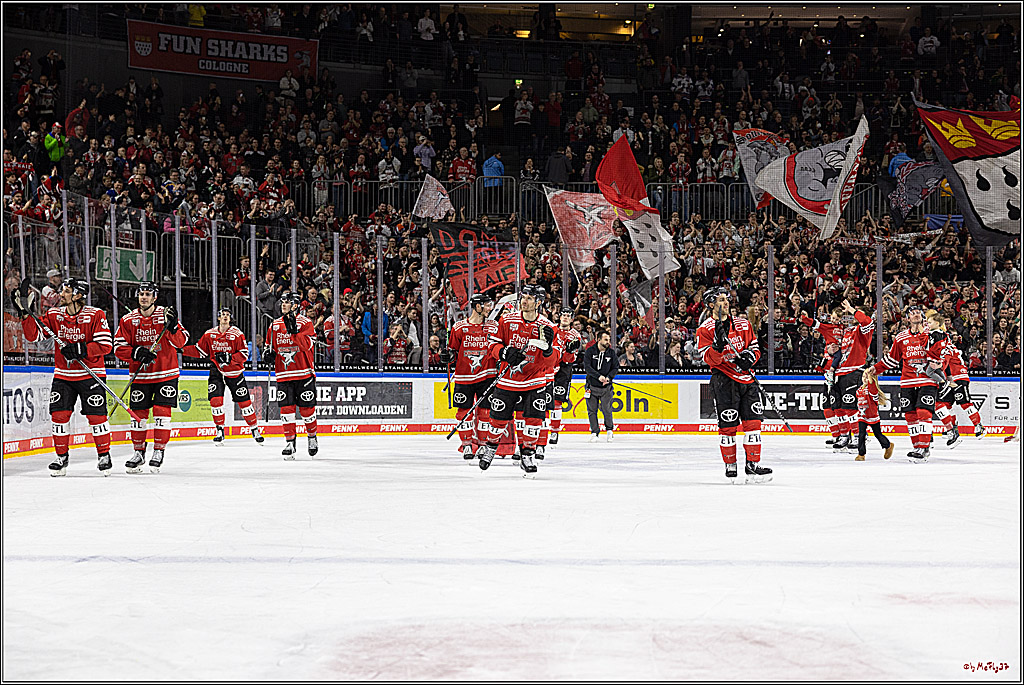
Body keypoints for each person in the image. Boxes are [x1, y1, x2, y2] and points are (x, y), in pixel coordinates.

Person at [14, 278, 114, 476]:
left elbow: (105, 345)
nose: (62, 295)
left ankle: (104, 455)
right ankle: (61, 457)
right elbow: (34, 336)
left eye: (67, 291)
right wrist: (26, 315)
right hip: (64, 375)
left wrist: (81, 348)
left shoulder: (95, 314)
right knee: (59, 416)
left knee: (96, 417)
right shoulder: (54, 314)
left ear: (78, 295)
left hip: (90, 375)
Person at [695, 286, 772, 483]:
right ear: (711, 304)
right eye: (721, 300)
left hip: (748, 380)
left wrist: (748, 357)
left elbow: (755, 347)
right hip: (724, 381)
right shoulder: (705, 329)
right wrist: (718, 348)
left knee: (754, 424)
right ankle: (730, 464)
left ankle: (753, 464)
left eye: (727, 299)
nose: (726, 302)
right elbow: (708, 359)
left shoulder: (744, 324)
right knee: (728, 426)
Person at [477, 285, 557, 475]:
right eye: (523, 297)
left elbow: (554, 360)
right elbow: (492, 345)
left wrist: (547, 351)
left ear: (538, 302)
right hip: (508, 380)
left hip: (535, 380)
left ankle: (527, 454)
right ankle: (490, 448)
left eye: (529, 298)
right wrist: (503, 352)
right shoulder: (506, 320)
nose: (524, 301)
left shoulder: (548, 326)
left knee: (534, 420)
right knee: (498, 419)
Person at [113, 281, 189, 474]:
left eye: (148, 294)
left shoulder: (165, 315)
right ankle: (138, 452)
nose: (144, 297)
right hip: (140, 376)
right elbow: (117, 348)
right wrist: (136, 353)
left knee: (162, 414)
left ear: (155, 297)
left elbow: (182, 341)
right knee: (138, 418)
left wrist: (172, 329)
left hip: (166, 373)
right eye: (141, 294)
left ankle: (158, 451)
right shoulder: (128, 320)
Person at [864, 303, 946, 462]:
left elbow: (942, 351)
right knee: (910, 415)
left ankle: (924, 446)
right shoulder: (901, 337)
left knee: (923, 412)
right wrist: (876, 368)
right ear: (908, 318)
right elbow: (892, 360)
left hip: (927, 379)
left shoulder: (933, 333)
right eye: (912, 312)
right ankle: (917, 446)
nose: (916, 314)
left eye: (918, 312)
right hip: (907, 381)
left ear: (923, 317)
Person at [801, 299, 875, 453]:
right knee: (838, 407)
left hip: (854, 371)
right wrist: (828, 352)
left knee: (851, 407)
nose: (852, 314)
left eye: (856, 312)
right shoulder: (847, 330)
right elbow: (834, 347)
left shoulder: (864, 330)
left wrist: (851, 308)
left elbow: (866, 321)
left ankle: (858, 437)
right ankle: (843, 435)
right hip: (839, 373)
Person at [182, 307, 264, 446]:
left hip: (234, 372)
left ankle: (254, 429)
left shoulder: (237, 334)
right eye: (222, 315)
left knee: (245, 404)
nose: (225, 317)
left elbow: (244, 354)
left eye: (227, 315)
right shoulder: (210, 334)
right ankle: (219, 430)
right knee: (215, 402)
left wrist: (230, 357)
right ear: (218, 318)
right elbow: (199, 351)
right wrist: (180, 350)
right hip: (217, 371)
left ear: (230, 318)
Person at [440, 293, 497, 459]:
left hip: (487, 376)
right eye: (486, 305)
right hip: (465, 377)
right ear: (477, 307)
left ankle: (482, 445)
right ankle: (466, 444)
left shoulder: (493, 326)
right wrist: (447, 356)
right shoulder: (459, 328)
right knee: (463, 412)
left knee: (486, 412)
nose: (490, 308)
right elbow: (453, 352)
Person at [263, 291, 318, 459]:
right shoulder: (274, 325)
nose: (283, 305)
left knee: (307, 410)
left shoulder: (305, 322)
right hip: (284, 374)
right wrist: (268, 355)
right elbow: (269, 347)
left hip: (304, 373)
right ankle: (290, 442)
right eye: (282, 302)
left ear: (295, 305)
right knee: (286, 410)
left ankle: (312, 437)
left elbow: (307, 345)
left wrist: (294, 333)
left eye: (286, 302)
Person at [928, 311, 987, 445]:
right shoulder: (948, 345)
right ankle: (953, 428)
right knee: (944, 404)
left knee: (964, 403)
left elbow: (944, 364)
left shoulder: (946, 347)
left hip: (958, 377)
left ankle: (979, 426)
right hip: (953, 378)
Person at [549, 307, 583, 446]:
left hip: (563, 369)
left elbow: (570, 359)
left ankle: (555, 431)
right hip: (548, 366)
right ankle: (541, 430)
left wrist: (569, 351)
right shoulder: (551, 329)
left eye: (568, 316)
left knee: (557, 401)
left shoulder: (575, 335)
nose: (565, 317)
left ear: (572, 319)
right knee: (542, 399)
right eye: (563, 315)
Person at [583, 329, 618, 442]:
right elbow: (587, 367)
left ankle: (609, 431)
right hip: (592, 386)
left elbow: (615, 367)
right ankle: (594, 432)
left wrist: (608, 377)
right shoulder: (590, 351)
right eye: (605, 339)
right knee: (592, 410)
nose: (608, 342)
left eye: (609, 339)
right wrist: (598, 376)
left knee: (607, 409)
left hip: (606, 388)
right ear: (598, 339)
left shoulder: (611, 353)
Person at [855, 373, 894, 461]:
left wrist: (870, 379)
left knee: (877, 434)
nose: (864, 379)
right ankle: (861, 454)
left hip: (873, 416)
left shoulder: (872, 389)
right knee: (861, 435)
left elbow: (872, 387)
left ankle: (888, 445)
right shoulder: (859, 389)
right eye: (863, 377)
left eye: (867, 377)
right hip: (862, 416)